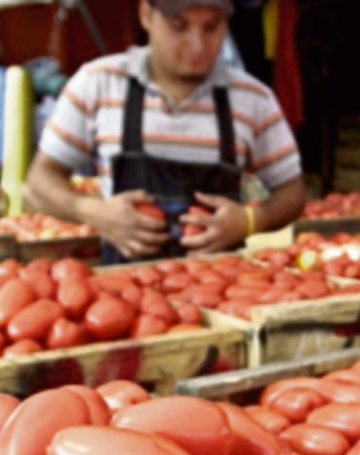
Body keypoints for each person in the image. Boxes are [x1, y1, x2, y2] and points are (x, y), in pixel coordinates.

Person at [23, 0, 306, 264]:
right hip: (125, 295)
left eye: (212, 26)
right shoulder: (98, 83)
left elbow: (292, 193)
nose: (197, 45)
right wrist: (93, 212)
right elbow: (39, 180)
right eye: (179, 26)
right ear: (146, 14)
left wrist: (248, 221)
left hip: (222, 295)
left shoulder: (253, 98)